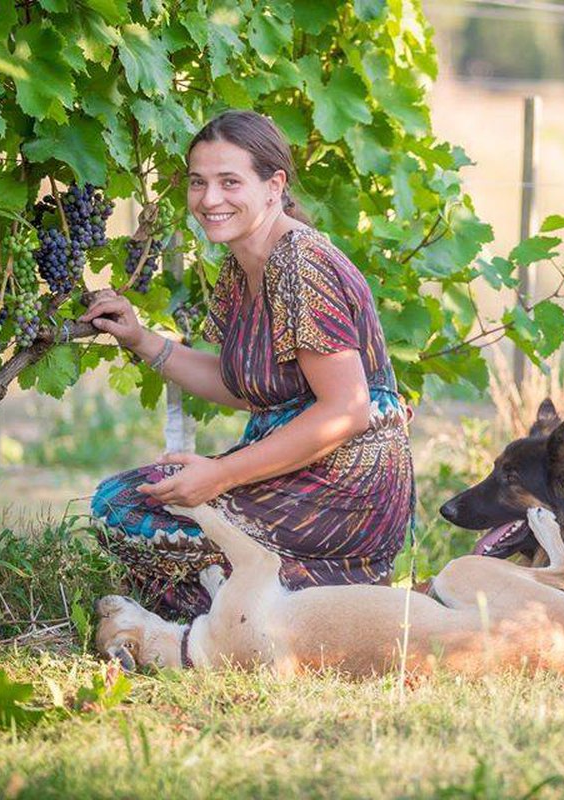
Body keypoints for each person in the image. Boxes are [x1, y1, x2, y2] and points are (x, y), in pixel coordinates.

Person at [83, 110, 415, 620]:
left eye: (229, 182)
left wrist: (221, 474)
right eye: (198, 182)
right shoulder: (244, 265)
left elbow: (347, 410)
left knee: (125, 509)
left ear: (273, 186)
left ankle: (299, 598)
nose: (209, 200)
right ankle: (272, 603)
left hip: (346, 483)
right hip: (301, 465)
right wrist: (141, 340)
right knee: (132, 503)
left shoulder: (301, 263)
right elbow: (246, 385)